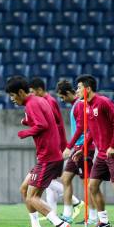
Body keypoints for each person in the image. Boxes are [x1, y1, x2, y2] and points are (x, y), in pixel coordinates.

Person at [66, 74, 114, 227]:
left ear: (88, 88)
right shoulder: (86, 107)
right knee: (92, 186)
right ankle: (104, 222)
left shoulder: (104, 102)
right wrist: (82, 150)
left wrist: (113, 146)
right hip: (101, 153)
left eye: (79, 88)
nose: (77, 90)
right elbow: (91, 132)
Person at [5, 75, 71, 227]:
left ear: (21, 92)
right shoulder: (39, 100)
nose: (12, 100)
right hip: (50, 155)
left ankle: (59, 224)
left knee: (32, 197)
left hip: (47, 157)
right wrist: (27, 121)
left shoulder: (31, 104)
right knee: (24, 189)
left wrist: (25, 132)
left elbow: (42, 125)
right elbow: (45, 120)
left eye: (13, 95)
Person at [29, 77, 83, 217]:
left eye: (32, 92)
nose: (31, 96)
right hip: (55, 145)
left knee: (46, 180)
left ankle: (76, 201)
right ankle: (51, 215)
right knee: (50, 183)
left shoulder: (49, 101)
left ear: (40, 90)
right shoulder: (47, 101)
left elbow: (54, 125)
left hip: (55, 146)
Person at [56, 79, 97, 225]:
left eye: (62, 97)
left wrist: (70, 146)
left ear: (68, 93)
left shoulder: (80, 105)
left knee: (88, 183)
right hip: (77, 148)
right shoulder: (76, 105)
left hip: (83, 148)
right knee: (65, 178)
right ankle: (67, 213)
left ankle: (92, 217)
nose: (62, 100)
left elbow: (83, 128)